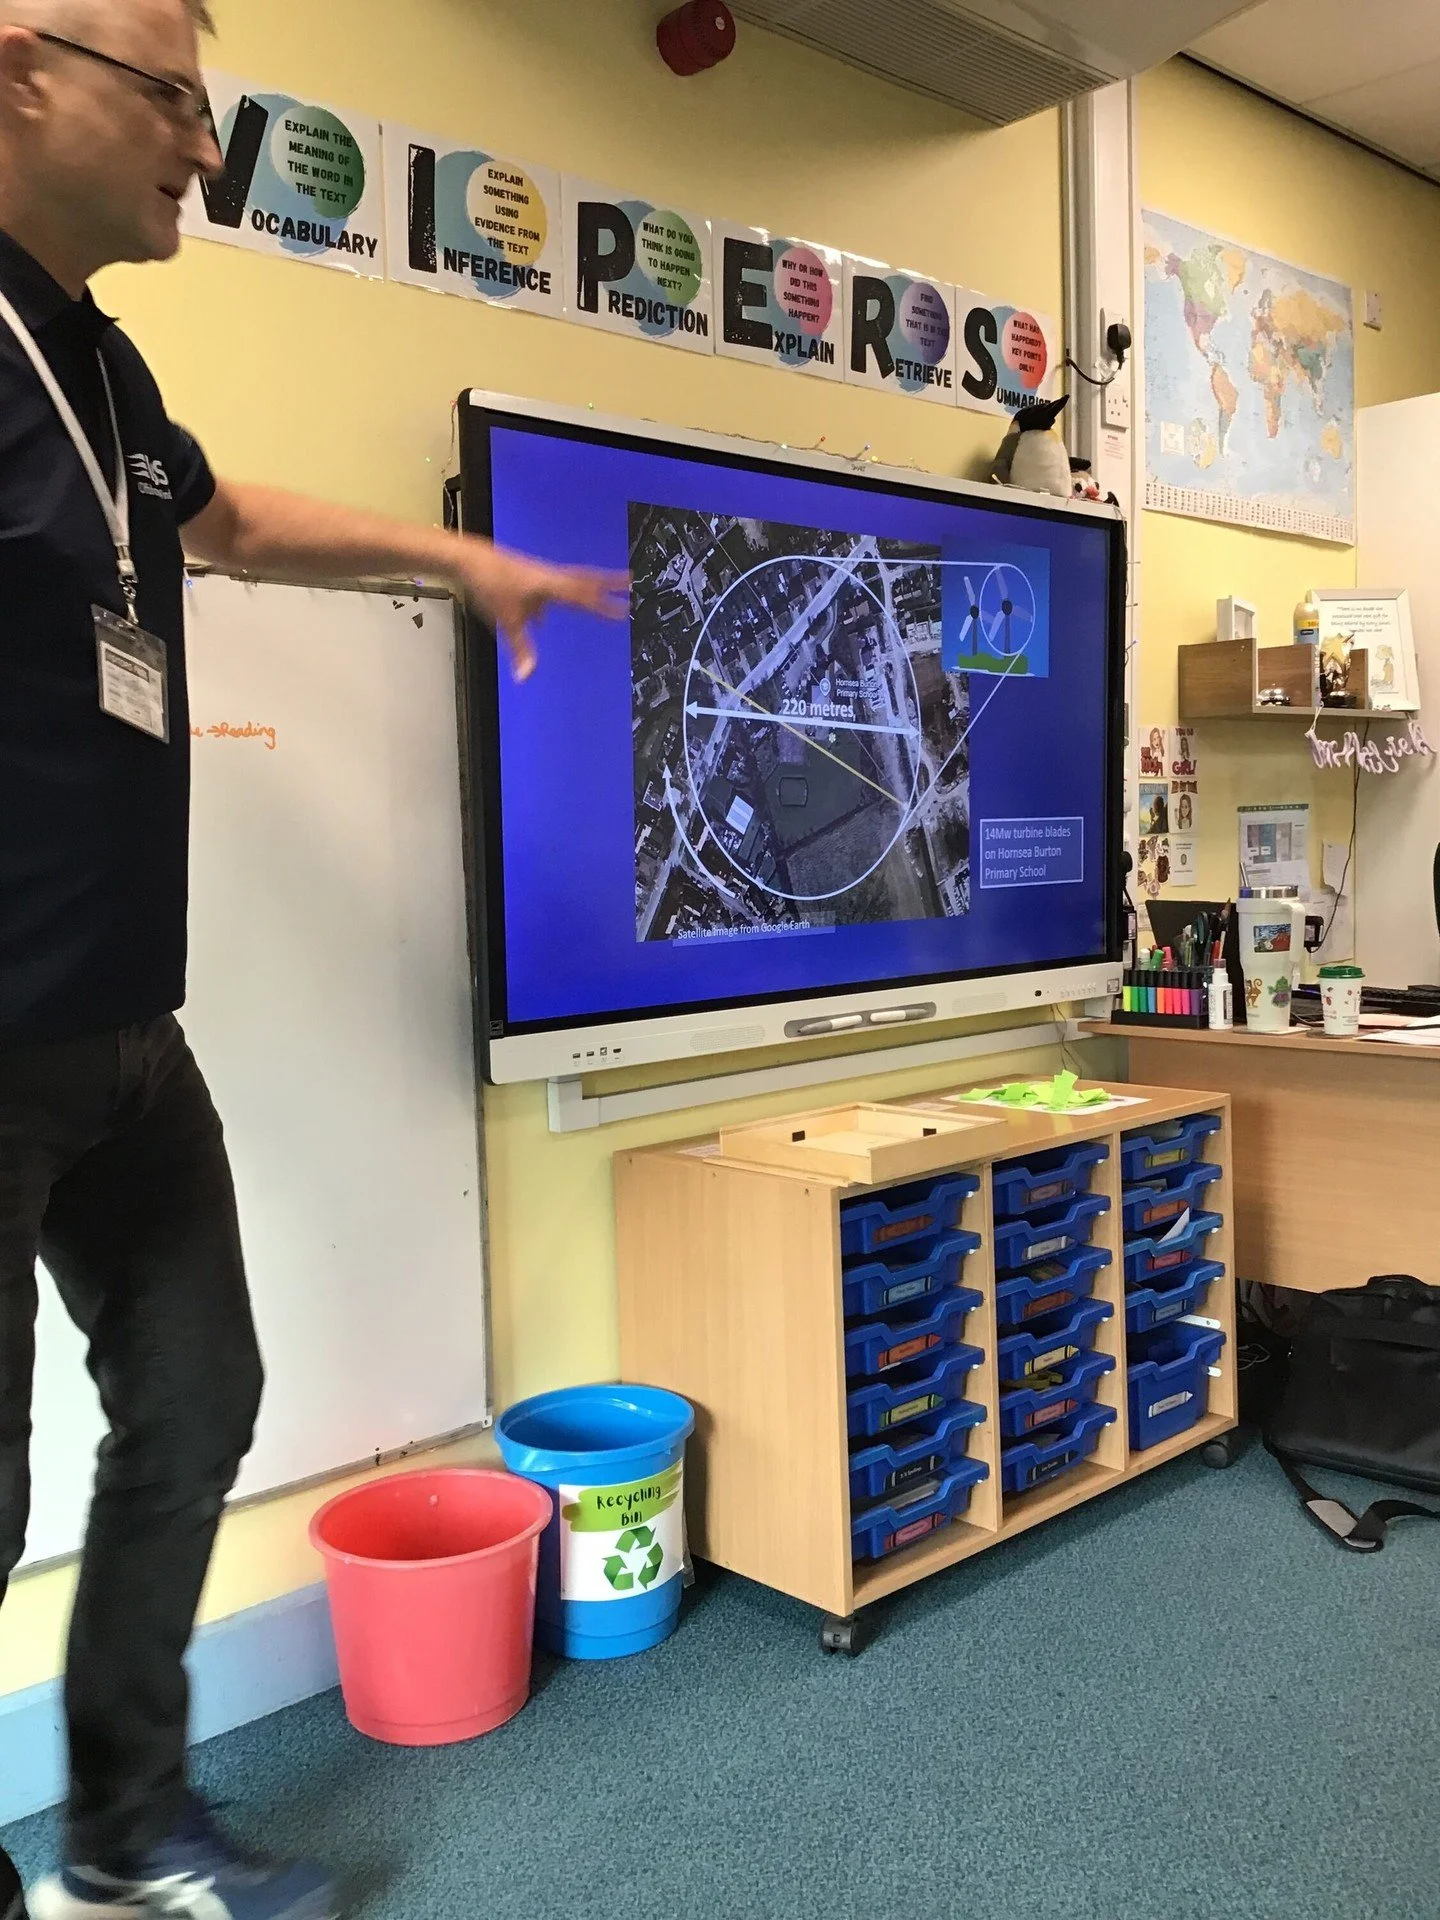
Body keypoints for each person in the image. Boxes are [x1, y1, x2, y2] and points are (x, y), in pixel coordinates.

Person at [0, 3, 625, 1915]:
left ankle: (123, 1839)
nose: (207, 149)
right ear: (23, 68)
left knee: (194, 1399)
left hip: (120, 1022)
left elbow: (234, 517)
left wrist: (471, 566)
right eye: (176, 99)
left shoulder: (90, 361)